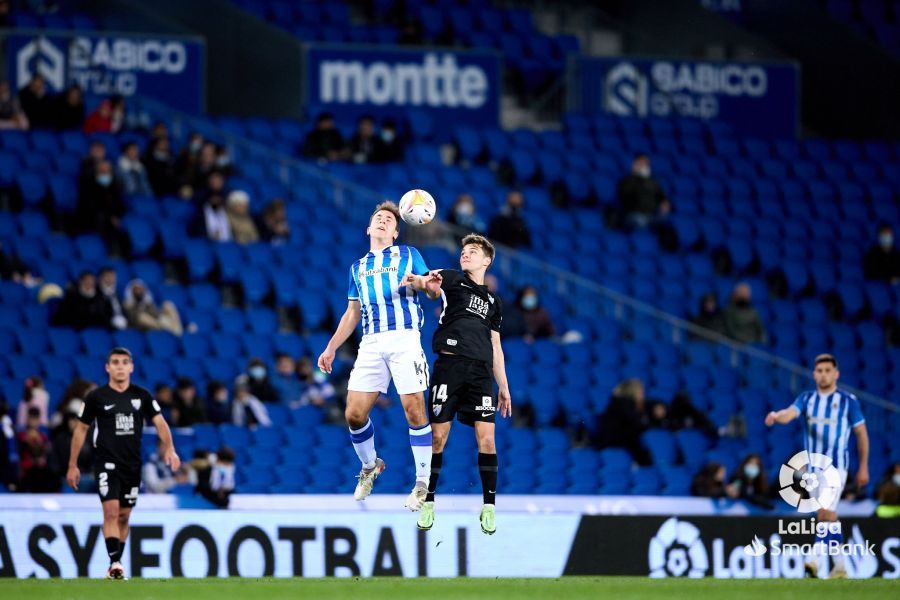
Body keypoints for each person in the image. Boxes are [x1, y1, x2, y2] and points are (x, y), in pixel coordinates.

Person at [317, 201, 432, 508]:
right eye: (378, 218)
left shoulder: (409, 255)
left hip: (405, 338)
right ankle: (370, 466)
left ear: (395, 232)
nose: (382, 221)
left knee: (414, 410)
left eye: (388, 220)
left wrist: (421, 282)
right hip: (371, 342)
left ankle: (422, 482)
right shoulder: (357, 268)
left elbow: (432, 289)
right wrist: (331, 347)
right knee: (353, 413)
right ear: (369, 228)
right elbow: (352, 312)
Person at [402, 234, 511, 534]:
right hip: (449, 367)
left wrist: (503, 385)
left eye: (473, 251)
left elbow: (496, 347)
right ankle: (429, 503)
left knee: (487, 439)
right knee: (438, 438)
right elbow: (426, 286)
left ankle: (489, 507)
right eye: (464, 251)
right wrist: (419, 282)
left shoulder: (493, 302)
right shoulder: (451, 278)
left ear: (487, 260)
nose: (466, 255)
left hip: (480, 374)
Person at [67, 347, 180, 580]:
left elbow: (160, 423)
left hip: (132, 465)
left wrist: (170, 448)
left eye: (124, 362)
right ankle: (115, 562)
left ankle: (114, 567)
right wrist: (72, 464)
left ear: (131, 367)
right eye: (115, 362)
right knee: (110, 511)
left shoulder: (142, 396)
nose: (120, 366)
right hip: (106, 463)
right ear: (107, 367)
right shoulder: (96, 397)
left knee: (124, 516)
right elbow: (80, 430)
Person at [765, 353, 869, 579]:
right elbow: (789, 414)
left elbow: (861, 434)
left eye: (827, 371)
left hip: (837, 466)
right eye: (819, 371)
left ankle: (813, 560)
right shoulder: (807, 399)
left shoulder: (847, 401)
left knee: (824, 511)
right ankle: (840, 567)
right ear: (814, 374)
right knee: (829, 516)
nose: (823, 375)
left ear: (836, 374)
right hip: (813, 470)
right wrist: (776, 415)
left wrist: (863, 466)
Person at [593, 378, 652, 466]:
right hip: (616, 445)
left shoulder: (615, 404)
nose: (643, 396)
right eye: (641, 392)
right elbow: (635, 428)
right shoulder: (625, 407)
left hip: (614, 444)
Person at [75, 160, 128, 256]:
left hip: (112, 220)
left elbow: (120, 205)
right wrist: (110, 217)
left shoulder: (114, 186)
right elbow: (90, 206)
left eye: (107, 171)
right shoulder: (89, 186)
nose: (105, 173)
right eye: (102, 171)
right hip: (94, 219)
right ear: (96, 171)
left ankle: (117, 255)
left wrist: (117, 217)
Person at [617, 153, 671, 228]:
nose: (644, 166)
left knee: (666, 221)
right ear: (635, 164)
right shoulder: (628, 180)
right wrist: (636, 176)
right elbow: (624, 196)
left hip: (652, 215)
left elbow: (662, 197)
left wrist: (664, 203)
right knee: (640, 221)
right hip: (634, 214)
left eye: (646, 164)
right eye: (642, 163)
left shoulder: (653, 182)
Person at [17, 407, 58, 492]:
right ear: (27, 419)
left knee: (52, 476)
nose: (33, 422)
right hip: (27, 469)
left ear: (39, 420)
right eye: (31, 418)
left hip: (41, 469)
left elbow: (46, 454)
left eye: (36, 419)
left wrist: (40, 443)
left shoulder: (43, 437)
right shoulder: (21, 436)